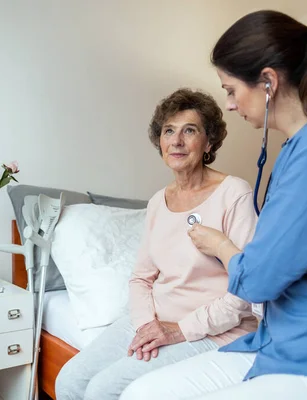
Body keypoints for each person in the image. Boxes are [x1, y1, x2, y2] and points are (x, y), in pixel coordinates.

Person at [119, 10, 307, 400]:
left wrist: (220, 246)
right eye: (169, 132)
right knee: (142, 392)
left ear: (267, 82)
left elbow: (258, 281)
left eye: (230, 89)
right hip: (289, 341)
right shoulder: (305, 148)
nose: (229, 104)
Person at [54, 88, 259, 400]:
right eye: (168, 131)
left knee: (104, 389)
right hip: (156, 320)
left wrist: (177, 330)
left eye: (189, 130)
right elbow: (141, 277)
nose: (176, 141)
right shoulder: (157, 202)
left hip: (216, 330)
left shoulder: (234, 193)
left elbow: (245, 291)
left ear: (209, 142)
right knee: (69, 381)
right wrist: (147, 325)